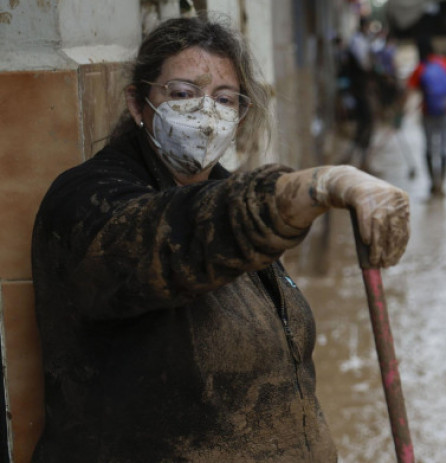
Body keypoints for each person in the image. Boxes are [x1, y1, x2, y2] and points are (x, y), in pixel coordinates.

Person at [30, 16, 410, 462]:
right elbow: (167, 241)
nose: (205, 113)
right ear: (138, 104)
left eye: (224, 99)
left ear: (240, 115)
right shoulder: (86, 201)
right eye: (182, 94)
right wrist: (313, 188)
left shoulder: (227, 197)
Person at [403, 37, 446, 195]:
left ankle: (434, 183)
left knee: (429, 147)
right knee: (445, 147)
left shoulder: (420, 67)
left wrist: (401, 112)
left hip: (428, 112)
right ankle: (443, 184)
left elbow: (409, 90)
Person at [345, 16, 375, 170]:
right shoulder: (358, 42)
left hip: (360, 87)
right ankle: (358, 160)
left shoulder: (361, 41)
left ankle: (361, 160)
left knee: (366, 123)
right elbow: (364, 64)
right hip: (358, 88)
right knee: (366, 122)